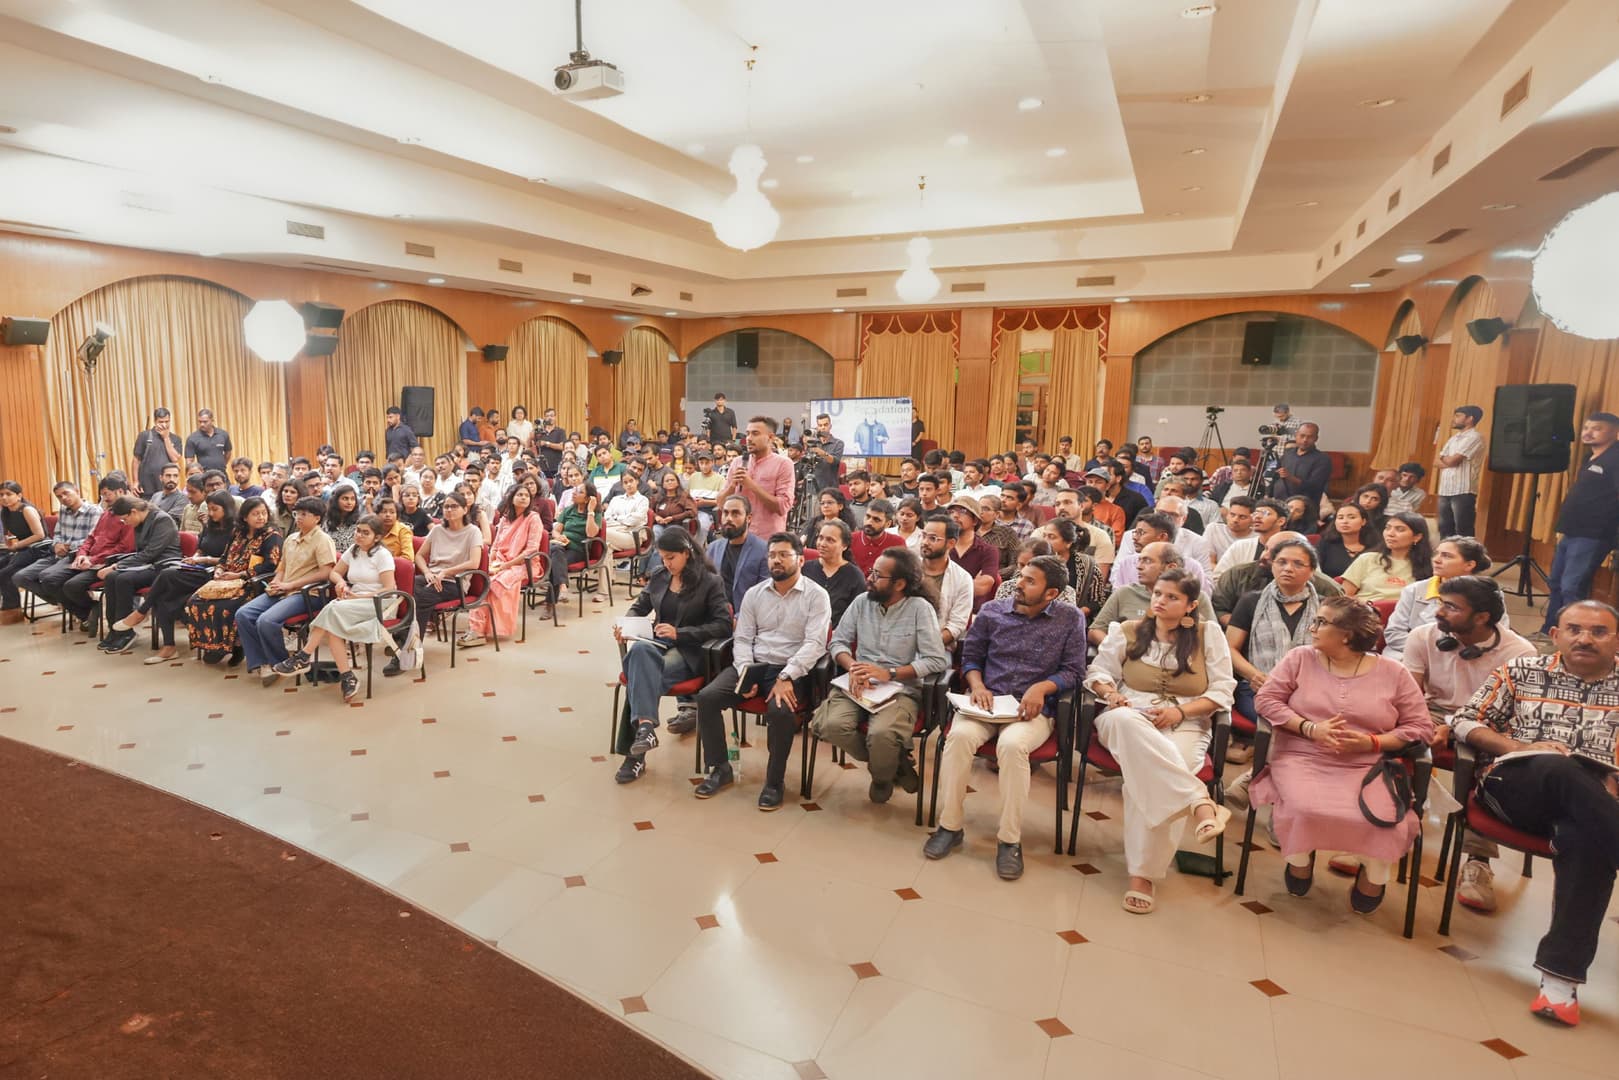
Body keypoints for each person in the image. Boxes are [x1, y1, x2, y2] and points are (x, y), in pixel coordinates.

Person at [1445, 600, 1619, 1025]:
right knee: (1558, 766)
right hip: (1518, 785)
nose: (1584, 638)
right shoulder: (1522, 671)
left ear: (1616, 640)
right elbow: (1465, 722)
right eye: (1574, 629)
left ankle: (1560, 983)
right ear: (1555, 634)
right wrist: (1519, 747)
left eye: (1598, 631)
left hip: (1599, 805)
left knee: (1586, 841)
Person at [1251, 596, 1434, 914]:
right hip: (1302, 754)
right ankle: (1299, 862)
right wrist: (1309, 728)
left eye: (1322, 622)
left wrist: (1372, 743)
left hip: (1366, 763)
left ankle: (1372, 877)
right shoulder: (1300, 659)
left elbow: (1420, 727)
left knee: (1388, 821)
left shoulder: (1393, 672)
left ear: (1346, 635)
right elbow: (1267, 700)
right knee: (1303, 809)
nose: (1312, 627)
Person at [926, 556, 1087, 881]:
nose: (1018, 585)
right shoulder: (992, 611)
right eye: (1020, 576)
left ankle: (1009, 839)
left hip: (1032, 709)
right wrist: (977, 685)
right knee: (958, 738)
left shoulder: (1069, 619)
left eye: (1030, 581)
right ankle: (950, 825)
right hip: (988, 701)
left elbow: (1074, 671)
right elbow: (970, 658)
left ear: (1051, 593)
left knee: (1013, 748)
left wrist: (1042, 688)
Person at [1083, 569, 1236, 911]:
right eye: (1157, 594)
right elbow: (1098, 672)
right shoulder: (1128, 630)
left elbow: (1224, 689)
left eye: (1172, 597)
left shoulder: (1207, 634)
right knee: (1124, 722)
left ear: (1191, 605)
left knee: (1155, 772)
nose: (1161, 602)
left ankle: (1143, 875)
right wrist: (1110, 693)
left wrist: (1180, 714)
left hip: (1187, 720)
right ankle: (1200, 802)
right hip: (1129, 715)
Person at [1400, 575, 1536, 912]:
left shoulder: (1520, 652)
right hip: (1429, 710)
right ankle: (1386, 831)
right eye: (1440, 603)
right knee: (1393, 742)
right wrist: (1428, 723)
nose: (1439, 611)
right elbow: (1408, 696)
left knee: (1491, 767)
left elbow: (1511, 716)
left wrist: (1456, 727)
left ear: (1482, 617)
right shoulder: (1424, 636)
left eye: (1451, 606)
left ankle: (1478, 863)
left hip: (1488, 721)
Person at [692, 533, 831, 808]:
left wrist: (786, 676)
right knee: (707, 698)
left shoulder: (817, 596)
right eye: (771, 555)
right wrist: (745, 672)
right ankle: (720, 767)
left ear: (801, 560)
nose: (776, 560)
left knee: (780, 713)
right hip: (755, 663)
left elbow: (815, 643)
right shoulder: (754, 594)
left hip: (792, 670)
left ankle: (774, 781)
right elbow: (742, 638)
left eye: (783, 554)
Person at [813, 546, 949, 800]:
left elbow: (936, 660)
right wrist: (851, 666)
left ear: (899, 584)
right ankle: (893, 763)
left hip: (900, 689)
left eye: (877, 576)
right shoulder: (862, 602)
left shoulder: (919, 609)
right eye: (871, 572)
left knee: (882, 734)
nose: (869, 579)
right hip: (858, 683)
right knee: (830, 726)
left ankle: (881, 776)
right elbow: (838, 642)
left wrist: (890, 673)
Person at [272, 515, 405, 702]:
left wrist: (359, 596)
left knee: (333, 609)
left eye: (365, 533)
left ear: (377, 537)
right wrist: (341, 582)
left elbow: (389, 588)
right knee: (333, 627)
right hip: (353, 601)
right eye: (358, 530)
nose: (359, 535)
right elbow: (334, 572)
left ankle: (303, 656)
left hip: (380, 602)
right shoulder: (354, 550)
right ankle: (347, 677)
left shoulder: (382, 555)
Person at [110, 490, 235, 663]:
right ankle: (169, 647)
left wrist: (205, 559)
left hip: (217, 573)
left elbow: (231, 559)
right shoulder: (210, 526)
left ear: (227, 509)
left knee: (167, 573)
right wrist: (197, 557)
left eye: (215, 509)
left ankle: (141, 611)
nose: (211, 513)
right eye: (210, 509)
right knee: (163, 595)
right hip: (198, 569)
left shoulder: (235, 530)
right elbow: (200, 548)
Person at [234, 497, 335, 683]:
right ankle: (262, 662)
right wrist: (276, 583)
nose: (299, 518)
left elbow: (326, 572)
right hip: (283, 590)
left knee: (266, 620)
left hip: (308, 594)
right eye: (297, 513)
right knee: (243, 614)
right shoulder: (291, 539)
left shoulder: (323, 540)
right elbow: (281, 567)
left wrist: (290, 585)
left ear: (317, 518)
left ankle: (280, 663)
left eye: (305, 514)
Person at [1224, 538, 1322, 727]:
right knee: (1283, 719)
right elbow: (1230, 649)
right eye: (1281, 562)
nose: (1288, 568)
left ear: (1311, 571)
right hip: (1257, 687)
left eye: (1298, 564)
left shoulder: (1324, 607)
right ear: (1272, 565)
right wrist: (1254, 675)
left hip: (1311, 689)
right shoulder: (1251, 601)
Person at [1542, 411, 1619, 634]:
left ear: (1614, 432)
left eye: (1597, 428)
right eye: (1586, 428)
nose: (1588, 432)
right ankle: (1550, 630)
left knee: (1572, 587)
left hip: (1593, 534)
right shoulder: (1589, 458)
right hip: (1570, 531)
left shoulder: (1615, 458)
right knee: (1555, 582)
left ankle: (1572, 633)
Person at [183, 496, 282, 665]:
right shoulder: (237, 532)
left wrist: (240, 575)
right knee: (195, 601)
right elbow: (224, 556)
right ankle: (213, 645)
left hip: (251, 582)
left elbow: (270, 566)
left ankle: (236, 647)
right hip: (226, 579)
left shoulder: (272, 535)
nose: (261, 517)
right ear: (245, 517)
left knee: (227, 606)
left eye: (264, 513)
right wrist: (220, 569)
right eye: (255, 514)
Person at [392, 493, 483, 671]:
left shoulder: (473, 531)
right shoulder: (437, 530)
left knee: (420, 597)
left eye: (454, 506)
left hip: (454, 582)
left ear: (465, 509)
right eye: (446, 506)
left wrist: (445, 572)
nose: (449, 510)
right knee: (403, 590)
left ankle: (407, 649)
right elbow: (418, 556)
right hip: (431, 577)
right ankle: (404, 639)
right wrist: (426, 572)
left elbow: (474, 563)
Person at [459, 484, 546, 648]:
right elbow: (496, 545)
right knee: (482, 580)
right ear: (511, 498)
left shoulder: (533, 518)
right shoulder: (506, 518)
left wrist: (506, 565)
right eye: (519, 494)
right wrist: (490, 563)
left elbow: (531, 550)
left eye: (526, 496)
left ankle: (484, 629)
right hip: (500, 561)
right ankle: (477, 629)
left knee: (496, 583)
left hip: (524, 564)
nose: (523, 498)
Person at [1382, 536, 1494, 661]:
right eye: (1436, 554)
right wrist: (1432, 652)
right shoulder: (1413, 590)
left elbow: (1496, 636)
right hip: (1411, 654)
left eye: (1446, 556)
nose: (1436, 560)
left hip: (1466, 658)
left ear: (1469, 565)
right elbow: (1394, 633)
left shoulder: (1490, 594)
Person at [94, 497, 183, 653]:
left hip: (164, 566)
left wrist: (117, 566)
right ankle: (114, 629)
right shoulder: (139, 522)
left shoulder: (162, 520)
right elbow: (140, 552)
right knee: (111, 577)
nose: (124, 523)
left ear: (133, 512)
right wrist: (115, 568)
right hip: (147, 565)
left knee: (123, 579)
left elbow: (150, 553)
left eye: (124, 519)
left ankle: (125, 632)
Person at [1090, 541, 1216, 644]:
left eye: (1147, 561)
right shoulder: (1125, 593)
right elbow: (1095, 631)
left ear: (1171, 567)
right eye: (1139, 560)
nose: (1139, 566)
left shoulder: (1196, 597)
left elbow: (1212, 639)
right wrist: (1119, 650)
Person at [1213, 531, 1342, 626]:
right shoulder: (1237, 574)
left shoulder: (1326, 588)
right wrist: (1248, 627)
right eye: (1266, 548)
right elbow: (1219, 609)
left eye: (1275, 551)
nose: (1265, 555)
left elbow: (1338, 624)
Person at [14, 480, 102, 610]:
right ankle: (64, 600)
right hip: (57, 554)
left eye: (66, 493)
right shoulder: (63, 510)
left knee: (47, 577)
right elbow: (57, 534)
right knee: (20, 577)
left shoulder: (94, 511)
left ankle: (79, 608)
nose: (64, 498)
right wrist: (57, 545)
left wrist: (67, 546)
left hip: (77, 555)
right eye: (59, 496)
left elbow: (92, 539)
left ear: (77, 491)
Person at [722, 417, 794, 541]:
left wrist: (751, 485)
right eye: (747, 434)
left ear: (770, 438)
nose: (749, 438)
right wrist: (732, 485)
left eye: (755, 434)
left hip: (767, 539)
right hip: (737, 537)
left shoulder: (784, 464)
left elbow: (782, 507)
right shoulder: (738, 462)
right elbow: (720, 502)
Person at [1340, 510, 1433, 602]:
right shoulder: (1367, 559)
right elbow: (1344, 597)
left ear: (1417, 537)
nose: (1390, 534)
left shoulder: (1428, 567)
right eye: (1387, 528)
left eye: (1400, 529)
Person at [918, 513, 973, 650]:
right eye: (924, 536)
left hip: (937, 648)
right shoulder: (907, 569)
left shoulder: (962, 579)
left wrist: (926, 646)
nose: (925, 542)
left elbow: (956, 626)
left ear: (951, 543)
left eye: (933, 538)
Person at [1036, 518, 1109, 618]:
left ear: (1068, 543)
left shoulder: (1087, 564)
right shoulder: (1034, 560)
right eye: (1044, 536)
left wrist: (1077, 614)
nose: (1045, 541)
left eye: (1051, 537)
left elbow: (1097, 599)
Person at [706, 494, 768, 611]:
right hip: (714, 615)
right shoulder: (713, 548)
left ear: (748, 518)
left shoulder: (763, 550)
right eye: (725, 513)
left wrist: (739, 618)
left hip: (747, 617)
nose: (729, 518)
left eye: (735, 514)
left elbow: (765, 595)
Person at [0, 482, 48, 622]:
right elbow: (9, 535)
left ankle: (12, 609)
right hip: (23, 549)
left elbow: (40, 535)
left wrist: (17, 545)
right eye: (1, 495)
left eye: (9, 494)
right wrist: (9, 542)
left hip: (40, 549)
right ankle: (11, 606)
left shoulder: (27, 510)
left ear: (19, 495)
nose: (4, 498)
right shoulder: (6, 512)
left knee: (5, 573)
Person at [547, 484, 602, 605]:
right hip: (561, 546)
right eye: (575, 490)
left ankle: (551, 603)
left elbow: (591, 534)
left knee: (553, 560)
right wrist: (559, 536)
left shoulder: (596, 514)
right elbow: (555, 530)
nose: (574, 493)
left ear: (588, 498)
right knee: (555, 550)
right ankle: (562, 586)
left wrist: (591, 512)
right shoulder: (568, 510)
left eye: (579, 492)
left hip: (579, 550)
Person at [804, 518, 865, 627]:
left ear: (844, 545)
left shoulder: (854, 576)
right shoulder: (804, 569)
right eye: (820, 538)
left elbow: (857, 616)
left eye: (830, 540)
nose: (822, 544)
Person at [1436, 405, 1486, 538]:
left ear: (1470, 419)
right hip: (1445, 489)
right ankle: (1445, 556)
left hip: (1463, 490)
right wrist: (1448, 460)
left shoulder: (1475, 437)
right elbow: (1437, 462)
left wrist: (1446, 460)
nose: (1454, 419)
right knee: (1444, 528)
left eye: (1458, 416)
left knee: (1463, 530)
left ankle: (1465, 558)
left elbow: (1452, 461)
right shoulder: (1453, 439)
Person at [945, 496, 1000, 609]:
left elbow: (983, 586)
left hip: (973, 610)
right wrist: (970, 584)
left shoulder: (988, 551)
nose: (955, 515)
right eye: (951, 511)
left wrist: (944, 587)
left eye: (963, 511)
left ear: (975, 520)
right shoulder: (941, 546)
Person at [1213, 498, 1286, 577]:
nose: (1258, 517)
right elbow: (1219, 576)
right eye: (1256, 513)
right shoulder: (1240, 546)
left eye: (1265, 513)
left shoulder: (1293, 548)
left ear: (1281, 521)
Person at [994, 538, 1077, 607]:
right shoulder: (1007, 587)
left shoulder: (1064, 593)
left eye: (1031, 566)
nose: (1025, 571)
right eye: (1021, 565)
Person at [1272, 422, 1330, 509]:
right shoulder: (1288, 454)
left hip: (1305, 507)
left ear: (1316, 438)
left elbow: (1315, 486)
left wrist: (1291, 478)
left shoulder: (1322, 459)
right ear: (1296, 435)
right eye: (1302, 436)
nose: (1305, 440)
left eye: (1310, 437)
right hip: (1280, 503)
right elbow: (1276, 476)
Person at [129, 407, 183, 497]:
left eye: (167, 421)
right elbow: (136, 460)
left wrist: (166, 438)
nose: (164, 425)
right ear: (155, 421)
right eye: (161, 422)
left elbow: (175, 458)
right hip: (146, 487)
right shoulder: (145, 435)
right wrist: (135, 481)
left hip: (167, 486)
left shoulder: (176, 439)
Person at [1315, 501, 1374, 579]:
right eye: (1340, 518)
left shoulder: (1375, 546)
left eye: (1351, 517)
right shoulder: (1325, 543)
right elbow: (1315, 572)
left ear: (1363, 521)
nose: (1345, 521)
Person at [849, 499, 906, 576]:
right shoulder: (850, 539)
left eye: (876, 520)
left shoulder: (897, 544)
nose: (869, 522)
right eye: (868, 516)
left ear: (888, 524)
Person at [801, 487, 858, 551]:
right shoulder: (814, 522)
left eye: (830, 503)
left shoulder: (846, 525)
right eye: (822, 503)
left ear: (840, 506)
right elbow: (802, 540)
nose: (825, 506)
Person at [1204, 495, 1255, 565]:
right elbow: (1208, 563)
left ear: (1253, 519)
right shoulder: (1214, 529)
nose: (1235, 520)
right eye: (1232, 515)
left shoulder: (1257, 538)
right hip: (1216, 574)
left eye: (1242, 517)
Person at [976, 493, 1019, 572]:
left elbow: (1015, 564)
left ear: (997, 514)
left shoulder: (1007, 533)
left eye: (986, 509)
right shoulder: (968, 531)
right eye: (979, 508)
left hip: (998, 578)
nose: (981, 512)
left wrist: (993, 575)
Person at [802, 413, 844, 492]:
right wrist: (805, 445)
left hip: (830, 487)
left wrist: (821, 452)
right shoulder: (812, 443)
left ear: (830, 426)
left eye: (825, 425)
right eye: (820, 425)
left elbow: (835, 461)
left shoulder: (838, 443)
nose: (823, 427)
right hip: (812, 488)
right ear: (817, 427)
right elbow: (806, 464)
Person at [183, 408, 232, 473]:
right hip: (203, 475)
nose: (202, 424)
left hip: (221, 473)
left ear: (212, 421)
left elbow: (228, 452)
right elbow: (189, 461)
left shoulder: (223, 434)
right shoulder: (192, 438)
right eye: (200, 422)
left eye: (205, 422)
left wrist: (222, 464)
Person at [323, 485, 361, 554]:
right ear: (336, 500)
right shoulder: (327, 522)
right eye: (345, 499)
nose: (349, 502)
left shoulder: (359, 523)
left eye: (352, 499)